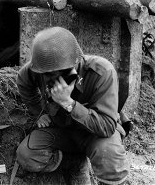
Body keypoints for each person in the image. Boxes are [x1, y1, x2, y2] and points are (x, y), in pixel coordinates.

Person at [16, 26, 129, 185]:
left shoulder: (101, 72)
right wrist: (38, 113)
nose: (50, 78)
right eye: (46, 74)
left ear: (75, 63)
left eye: (57, 73)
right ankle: (76, 163)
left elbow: (107, 126)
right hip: (61, 130)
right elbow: (23, 81)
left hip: (94, 134)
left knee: (109, 154)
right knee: (27, 155)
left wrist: (68, 103)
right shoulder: (40, 69)